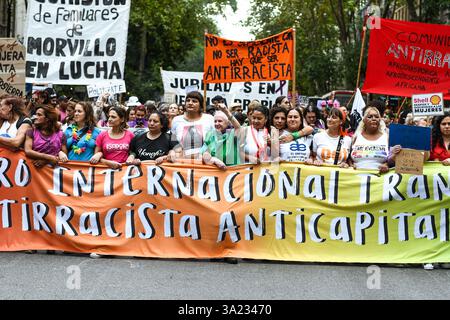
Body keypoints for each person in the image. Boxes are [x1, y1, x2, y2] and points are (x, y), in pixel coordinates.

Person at [171, 91, 214, 160]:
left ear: (201, 105)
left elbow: (214, 141)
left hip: (205, 163)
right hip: (182, 162)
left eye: (194, 101)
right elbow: (173, 142)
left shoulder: (209, 119)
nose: (190, 103)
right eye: (188, 100)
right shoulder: (176, 120)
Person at [201, 104, 243, 168]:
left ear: (228, 122)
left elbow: (238, 128)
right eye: (215, 121)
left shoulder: (232, 133)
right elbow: (204, 152)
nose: (217, 123)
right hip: (214, 173)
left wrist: (226, 111)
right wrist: (213, 160)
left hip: (232, 172)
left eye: (220, 121)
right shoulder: (210, 134)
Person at [350, 106, 390, 173]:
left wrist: (387, 165)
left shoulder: (387, 137)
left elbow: (393, 158)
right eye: (370, 117)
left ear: (380, 120)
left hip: (379, 179)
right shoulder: (356, 137)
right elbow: (348, 158)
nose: (373, 119)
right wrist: (351, 165)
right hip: (356, 179)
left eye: (376, 117)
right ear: (364, 120)